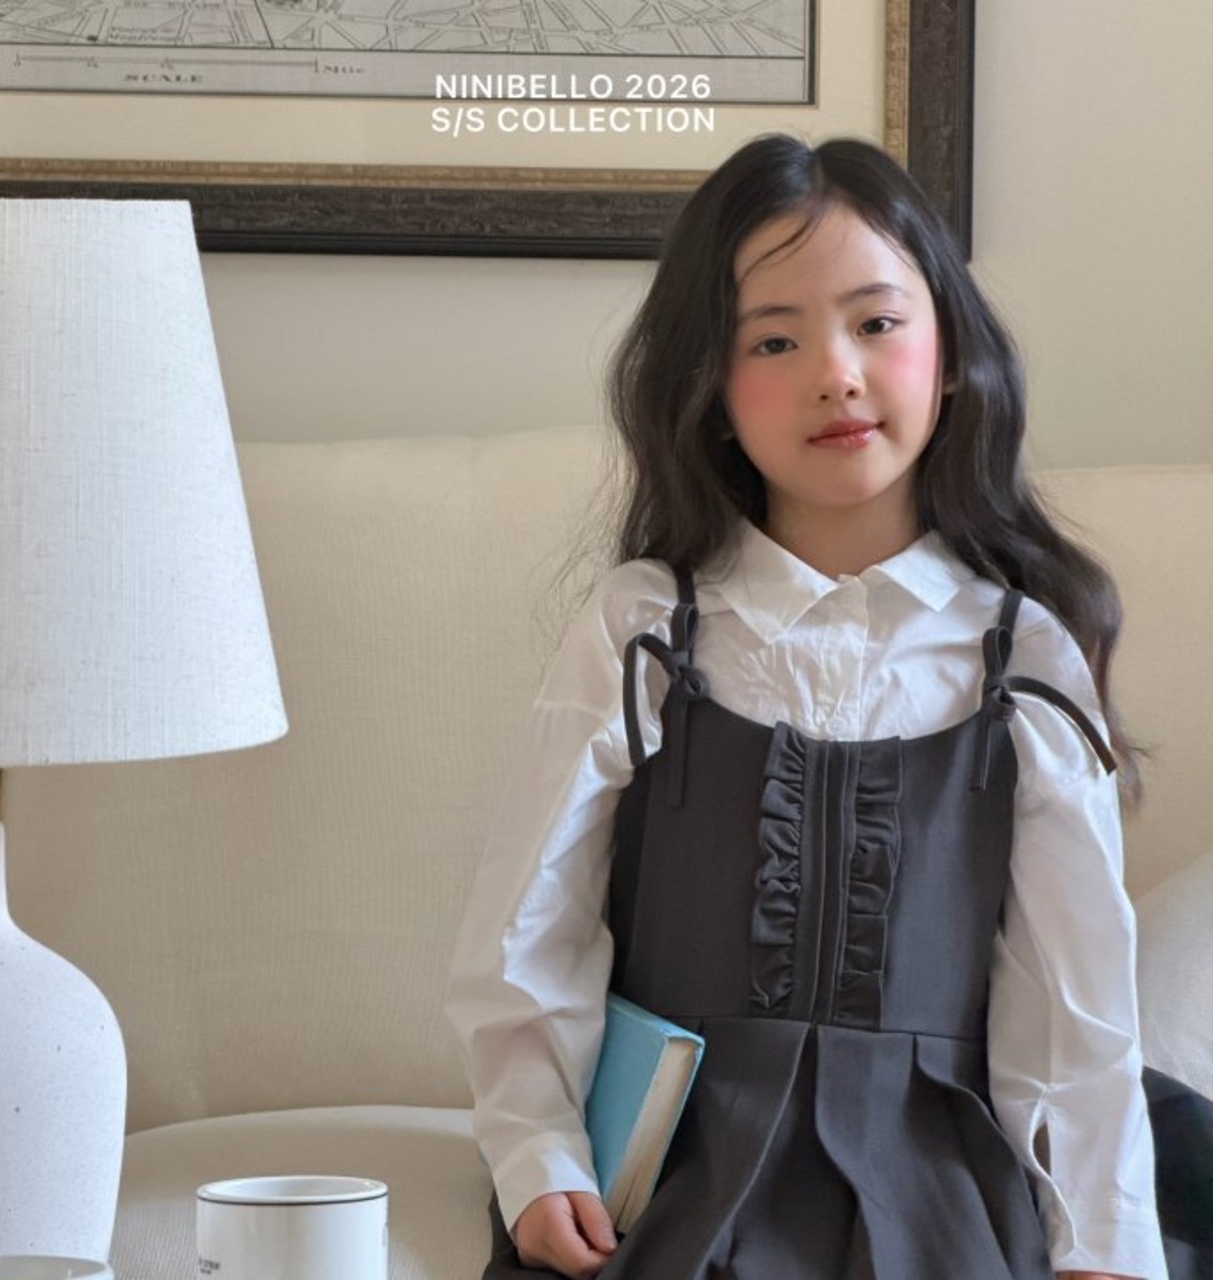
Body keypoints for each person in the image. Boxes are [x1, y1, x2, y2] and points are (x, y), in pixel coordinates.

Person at [446, 134, 1173, 1280]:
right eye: (773, 340)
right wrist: (535, 1155)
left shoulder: (1021, 654)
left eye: (874, 322)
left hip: (937, 1182)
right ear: (710, 388)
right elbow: (528, 924)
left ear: (947, 354)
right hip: (674, 1176)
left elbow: (1072, 1003)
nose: (833, 372)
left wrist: (1099, 1239)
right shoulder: (647, 625)